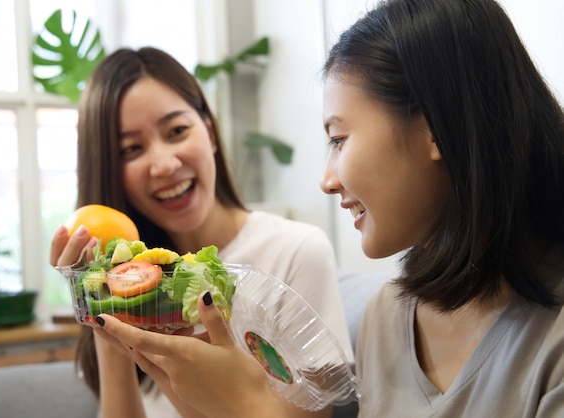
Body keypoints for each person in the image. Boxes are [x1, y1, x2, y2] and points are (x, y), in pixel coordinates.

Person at [92, 0, 564, 417]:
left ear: (434, 130)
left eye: (339, 138)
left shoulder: (548, 339)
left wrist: (250, 405)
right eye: (130, 149)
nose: (326, 179)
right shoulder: (389, 316)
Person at [49, 46, 353, 418]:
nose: (163, 164)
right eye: (131, 149)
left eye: (177, 130)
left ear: (208, 132)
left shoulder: (296, 251)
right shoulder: (126, 283)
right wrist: (106, 317)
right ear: (111, 172)